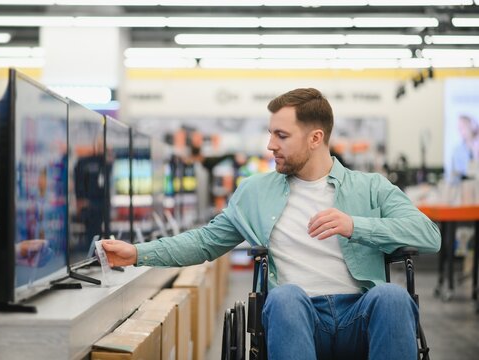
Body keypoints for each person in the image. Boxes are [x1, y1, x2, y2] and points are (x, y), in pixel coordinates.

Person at [102, 88, 441, 359]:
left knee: (393, 297)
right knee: (284, 297)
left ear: (315, 138)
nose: (270, 145)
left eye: (281, 135)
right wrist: (136, 253)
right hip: (298, 316)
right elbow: (206, 241)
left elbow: (428, 236)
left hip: (361, 315)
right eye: (270, 134)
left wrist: (356, 225)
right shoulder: (255, 193)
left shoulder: (371, 187)